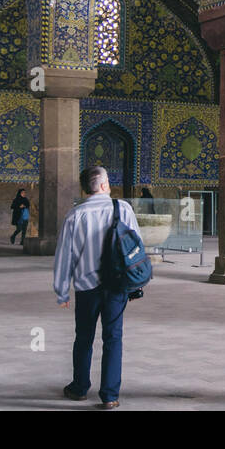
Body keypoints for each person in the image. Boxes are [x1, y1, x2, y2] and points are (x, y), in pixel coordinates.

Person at [53, 165, 140, 410]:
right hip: (116, 287)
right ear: (103, 185)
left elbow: (64, 257)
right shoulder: (123, 209)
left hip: (86, 288)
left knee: (84, 338)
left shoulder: (75, 215)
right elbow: (136, 248)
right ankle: (110, 395)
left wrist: (61, 291)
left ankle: (79, 388)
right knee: (113, 338)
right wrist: (134, 286)